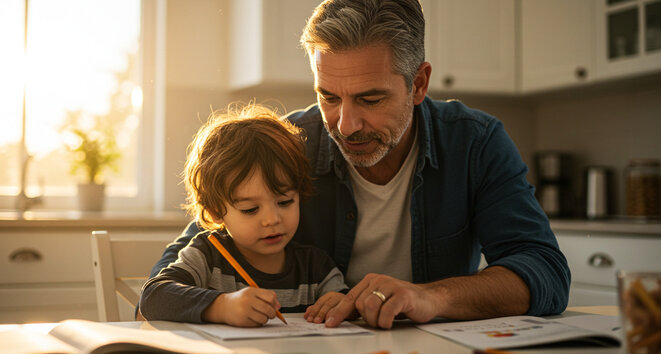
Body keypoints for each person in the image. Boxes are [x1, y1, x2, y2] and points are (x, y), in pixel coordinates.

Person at [147, 0, 570, 329]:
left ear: (418, 84)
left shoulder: (475, 143)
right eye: (328, 97)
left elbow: (544, 270)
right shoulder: (288, 144)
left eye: (370, 99)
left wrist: (431, 297)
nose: (346, 125)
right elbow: (171, 270)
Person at [139, 104, 348, 327]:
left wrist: (339, 303)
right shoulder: (208, 256)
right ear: (216, 211)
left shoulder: (315, 266)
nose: (272, 219)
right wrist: (222, 306)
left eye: (285, 202)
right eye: (250, 209)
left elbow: (344, 304)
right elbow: (153, 298)